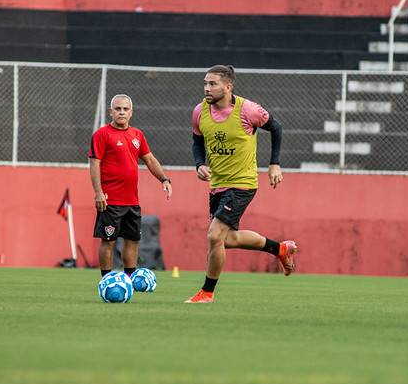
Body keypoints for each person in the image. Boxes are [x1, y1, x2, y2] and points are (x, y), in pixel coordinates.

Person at [186, 65, 297, 303]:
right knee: (228, 239)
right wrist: (199, 164)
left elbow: (275, 127)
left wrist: (274, 163)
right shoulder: (199, 112)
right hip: (218, 185)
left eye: (212, 84)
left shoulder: (248, 110)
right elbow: (197, 141)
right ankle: (280, 249)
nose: (207, 88)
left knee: (214, 236)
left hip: (242, 183)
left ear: (228, 86)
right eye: (205, 83)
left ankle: (207, 293)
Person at [89, 94, 172, 280]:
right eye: (117, 109)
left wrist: (164, 179)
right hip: (110, 200)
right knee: (108, 241)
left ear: (131, 112)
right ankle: (106, 280)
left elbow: (149, 159)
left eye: (125, 109)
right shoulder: (102, 135)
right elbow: (94, 164)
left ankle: (129, 279)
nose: (121, 112)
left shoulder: (137, 135)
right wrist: (98, 192)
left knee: (132, 241)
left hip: (132, 200)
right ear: (111, 111)